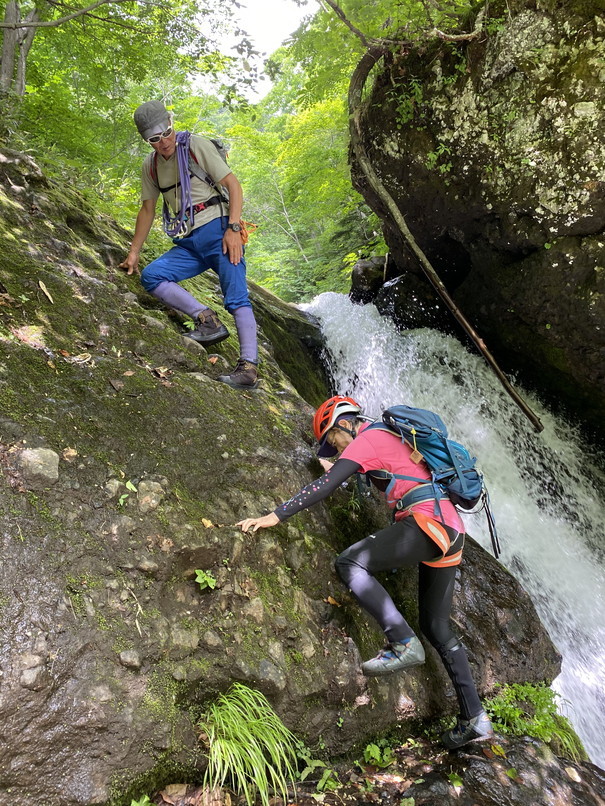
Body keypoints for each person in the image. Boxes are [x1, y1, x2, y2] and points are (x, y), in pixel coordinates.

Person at [237, 395, 494, 749]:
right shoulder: (387, 438)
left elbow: (325, 486)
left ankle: (402, 641)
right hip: (450, 530)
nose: (333, 447)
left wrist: (275, 515)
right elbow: (358, 474)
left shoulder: (367, 438)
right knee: (437, 627)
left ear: (344, 423)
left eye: (332, 439)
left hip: (426, 522)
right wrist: (341, 465)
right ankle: (475, 719)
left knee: (350, 562)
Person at [119, 100, 259, 390]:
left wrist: (233, 228)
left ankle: (248, 369)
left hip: (219, 229)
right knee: (152, 275)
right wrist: (134, 252)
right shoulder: (151, 165)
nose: (164, 142)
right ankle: (206, 320)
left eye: (166, 133)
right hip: (188, 240)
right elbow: (147, 209)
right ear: (147, 140)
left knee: (236, 297)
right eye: (154, 139)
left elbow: (233, 185)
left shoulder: (195, 145)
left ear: (172, 123)